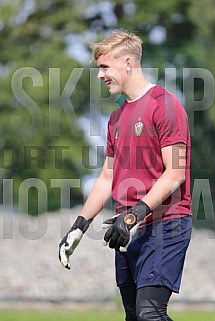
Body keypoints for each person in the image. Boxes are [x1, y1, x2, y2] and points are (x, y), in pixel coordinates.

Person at [59, 29, 192, 321]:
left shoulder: (166, 106)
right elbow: (107, 178)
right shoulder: (117, 118)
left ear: (128, 63)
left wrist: (135, 215)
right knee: (134, 316)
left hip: (166, 224)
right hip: (126, 230)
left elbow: (177, 171)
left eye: (104, 67)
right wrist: (79, 226)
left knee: (150, 313)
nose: (100, 76)